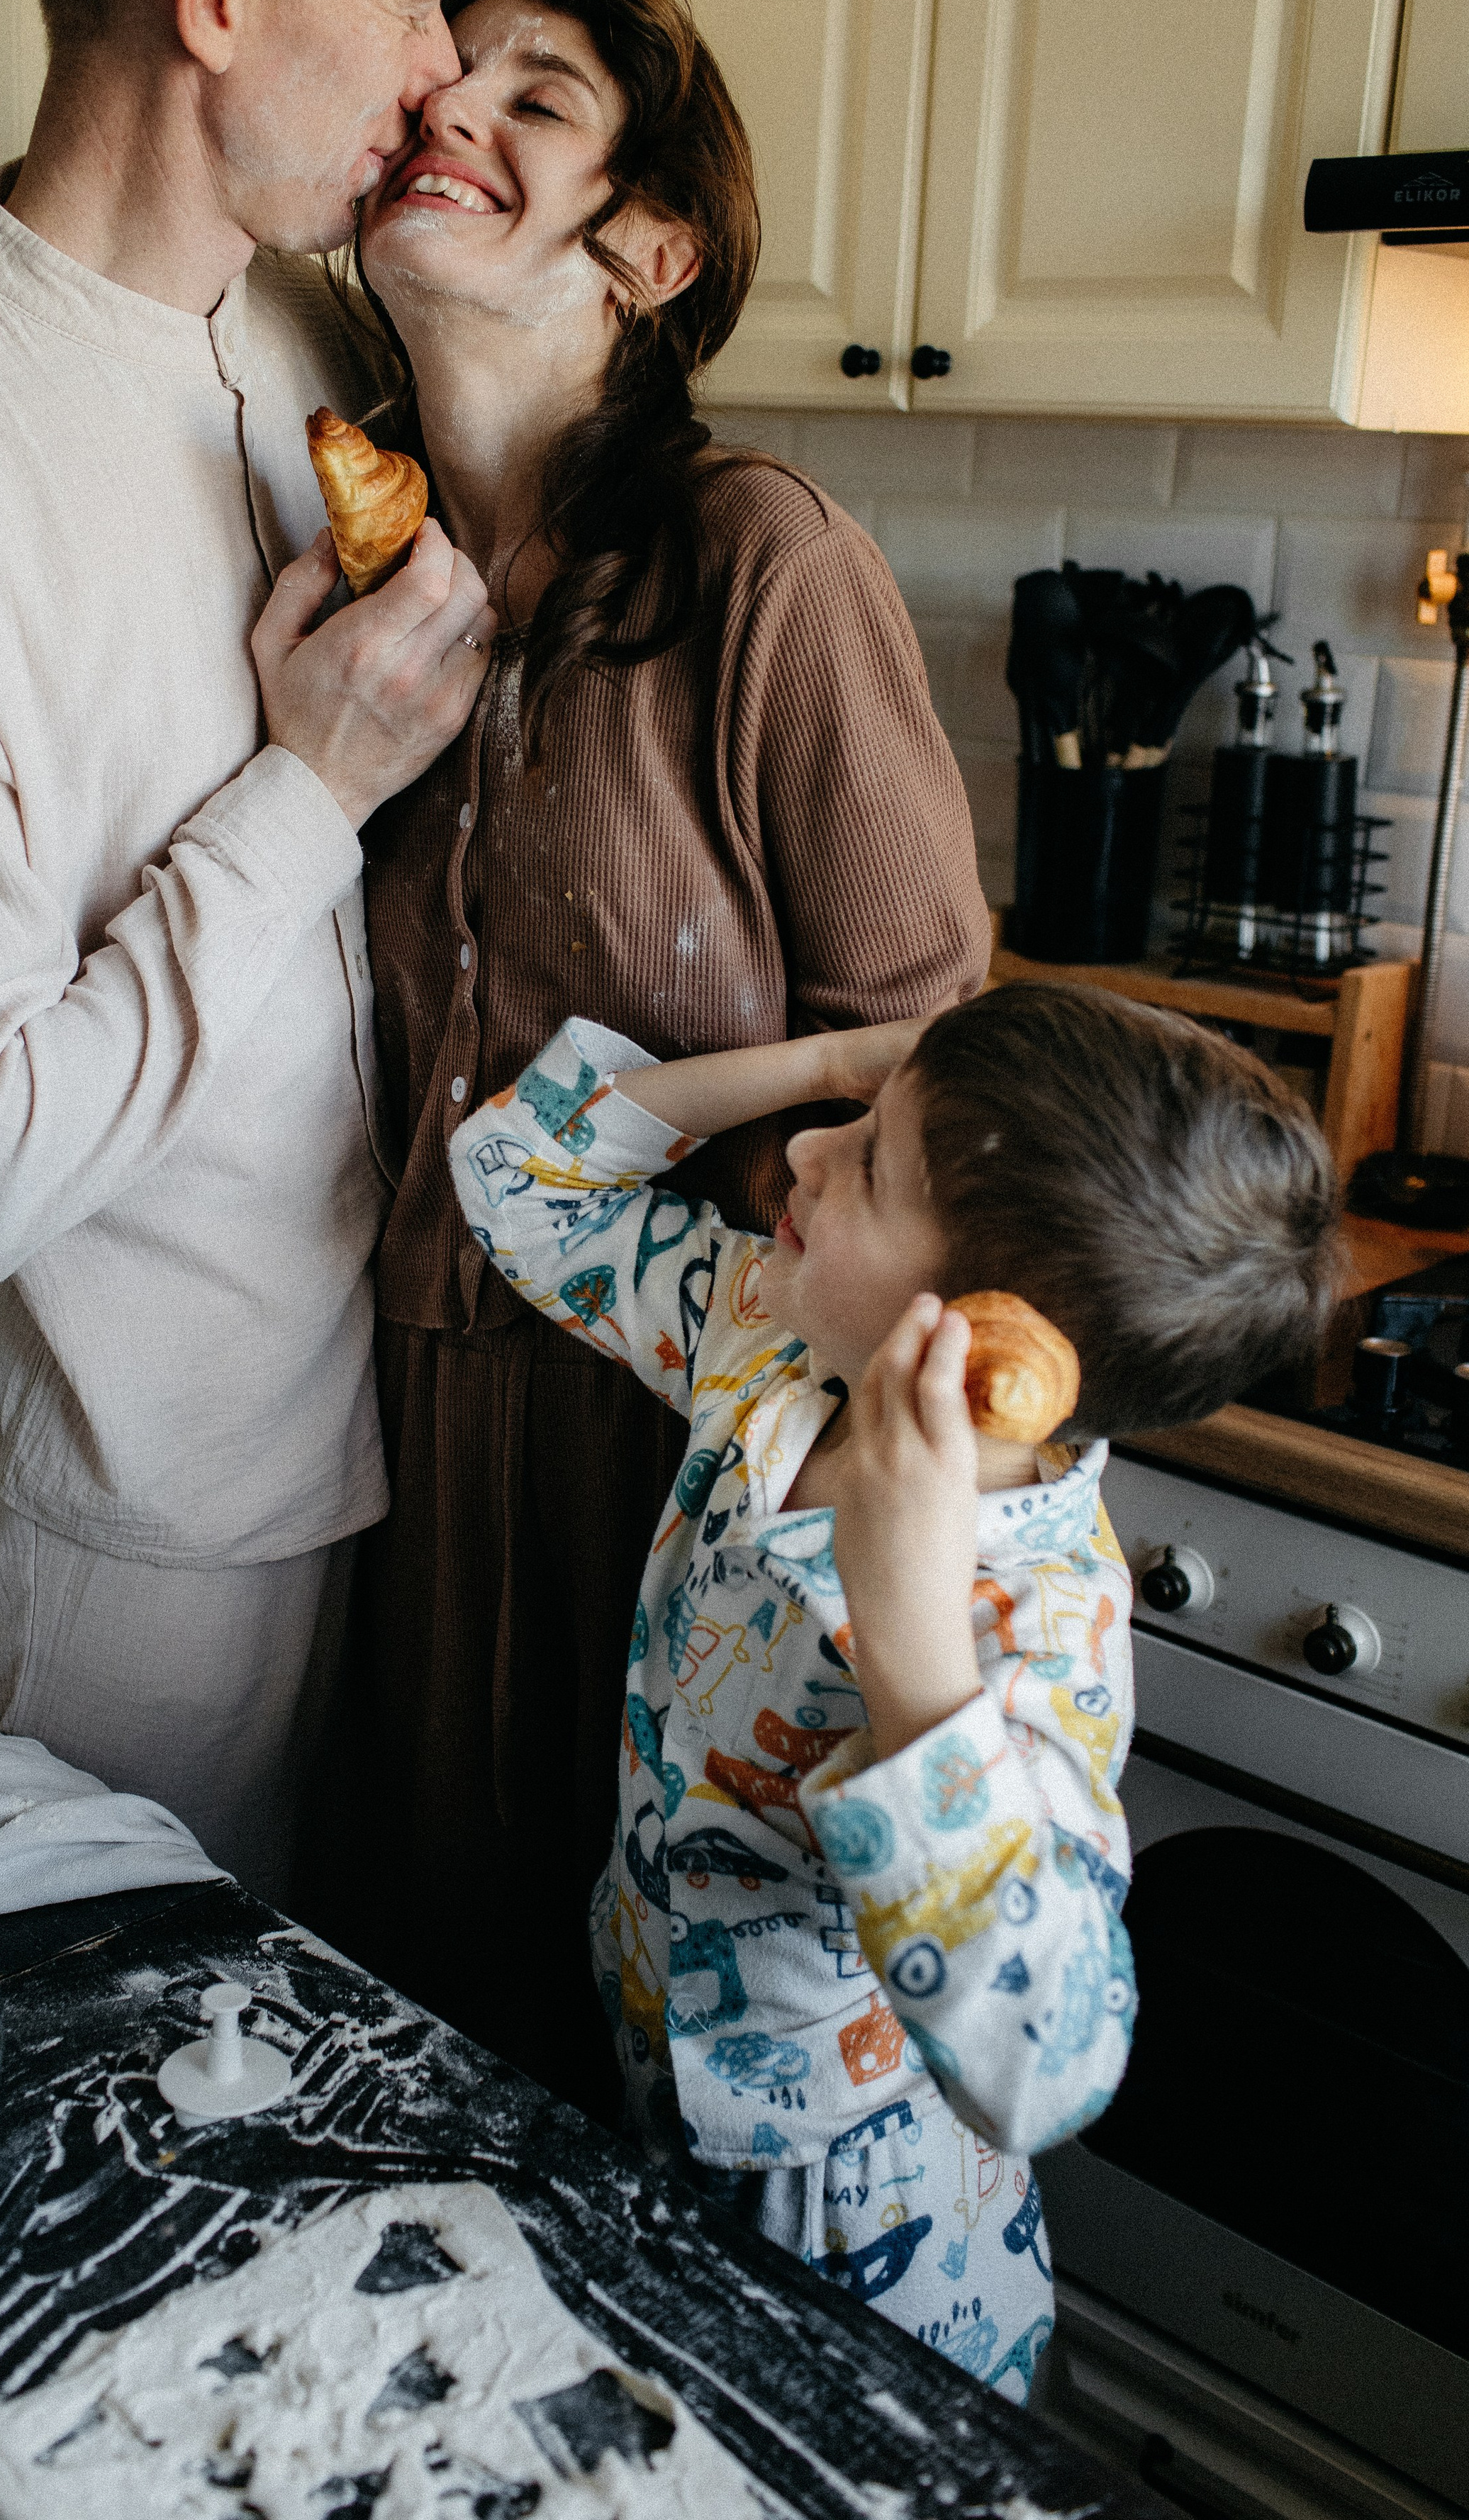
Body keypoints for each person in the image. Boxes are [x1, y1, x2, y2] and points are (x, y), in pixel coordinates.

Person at [0, 0, 505, 1902]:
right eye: (411, 2)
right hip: (158, 1541)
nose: (440, 65)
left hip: (415, 1437)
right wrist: (310, 783)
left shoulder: (313, 351)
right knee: (164, 2154)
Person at [308, 0, 990, 2112]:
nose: (453, 119)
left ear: (651, 248)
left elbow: (936, 1047)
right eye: (439, 84)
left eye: (538, 101)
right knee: (424, 2017)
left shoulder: (757, 563)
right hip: (386, 1427)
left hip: (687, 1446)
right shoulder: (354, 578)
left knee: (668, 2071)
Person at [445, 980, 1339, 2397]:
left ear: (993, 1349)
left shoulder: (1032, 1621)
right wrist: (834, 1061)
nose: (802, 1152)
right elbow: (517, 1180)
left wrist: (910, 1642)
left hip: (861, 2243)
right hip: (641, 2082)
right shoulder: (778, 1355)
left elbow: (1045, 2065)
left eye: (867, 1164)